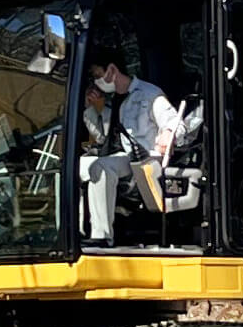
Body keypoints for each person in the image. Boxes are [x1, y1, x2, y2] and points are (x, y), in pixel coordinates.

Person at [80, 53, 186, 244]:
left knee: (102, 167)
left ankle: (102, 236)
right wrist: (90, 109)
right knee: (76, 166)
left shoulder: (149, 94)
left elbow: (176, 123)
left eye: (97, 75)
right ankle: (77, 229)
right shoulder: (113, 101)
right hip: (123, 157)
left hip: (145, 161)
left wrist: (168, 132)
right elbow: (103, 137)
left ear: (112, 70)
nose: (96, 82)